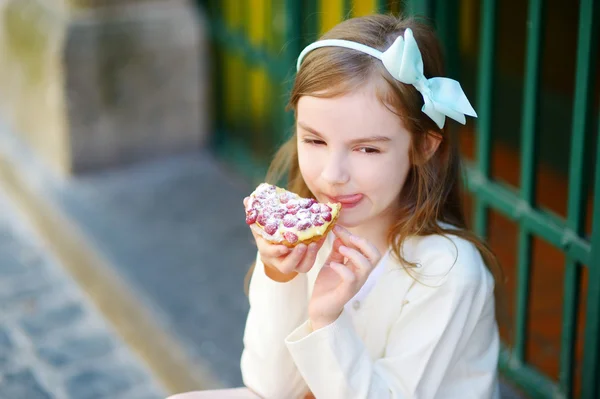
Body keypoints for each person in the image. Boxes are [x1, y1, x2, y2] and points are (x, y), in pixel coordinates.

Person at [169, 13, 501, 399]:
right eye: (315, 140)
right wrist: (282, 276)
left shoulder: (449, 271)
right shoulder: (310, 234)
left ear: (424, 145)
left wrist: (326, 322)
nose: (332, 175)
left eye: (366, 148)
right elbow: (270, 388)